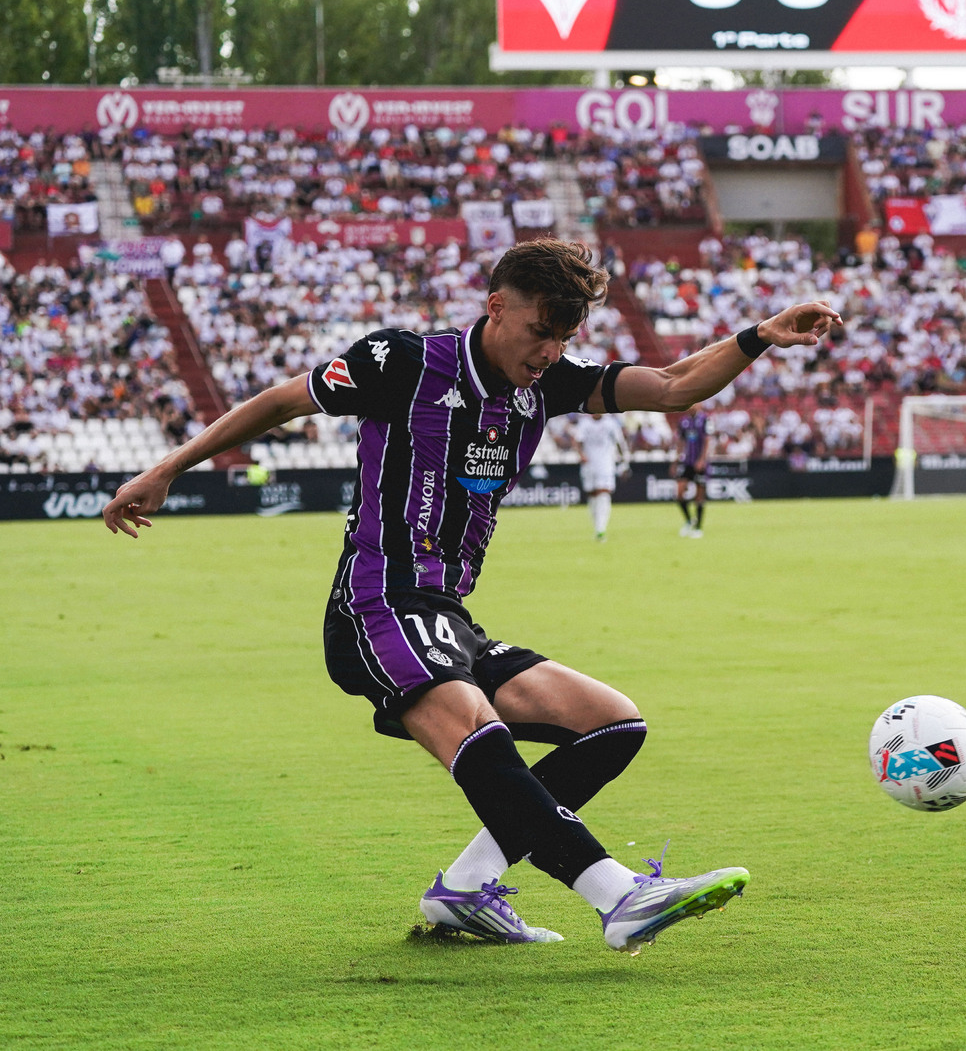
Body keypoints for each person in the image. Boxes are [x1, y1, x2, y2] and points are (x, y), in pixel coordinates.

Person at [102, 238, 842, 947]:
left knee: (612, 723)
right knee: (475, 727)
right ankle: (617, 895)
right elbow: (281, 401)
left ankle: (464, 888)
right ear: (495, 307)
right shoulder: (403, 362)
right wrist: (168, 469)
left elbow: (675, 386)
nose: (549, 352)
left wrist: (760, 336)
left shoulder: (549, 384)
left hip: (447, 616)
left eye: (563, 337)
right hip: (378, 601)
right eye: (540, 332)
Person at [568, 412, 628, 542]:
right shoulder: (584, 423)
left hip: (606, 464)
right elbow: (577, 441)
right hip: (589, 465)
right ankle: (597, 527)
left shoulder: (611, 423)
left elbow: (620, 443)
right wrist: (581, 455)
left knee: (603, 492)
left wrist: (624, 463)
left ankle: (601, 529)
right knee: (592, 495)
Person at [674, 409, 711, 538]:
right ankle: (689, 520)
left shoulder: (705, 420)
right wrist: (676, 459)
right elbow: (680, 441)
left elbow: (707, 440)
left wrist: (702, 459)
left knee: (699, 496)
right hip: (687, 462)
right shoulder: (683, 421)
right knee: (679, 493)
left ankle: (698, 528)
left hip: (700, 463)